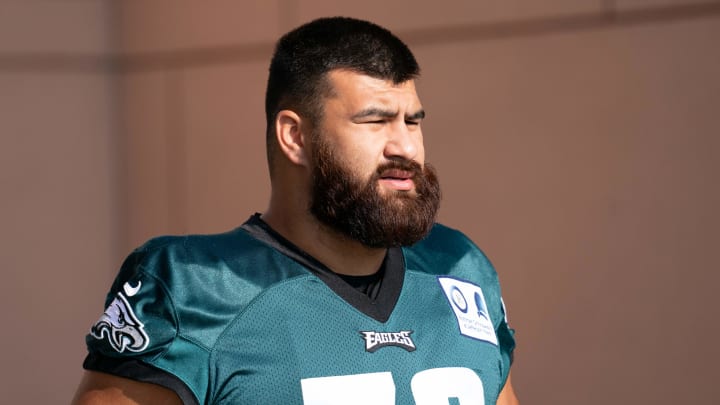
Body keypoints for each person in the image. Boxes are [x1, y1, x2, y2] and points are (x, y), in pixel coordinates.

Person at [72, 16, 518, 405]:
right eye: (375, 120)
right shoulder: (192, 289)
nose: (405, 146)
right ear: (295, 137)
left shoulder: (460, 267)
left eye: (413, 120)